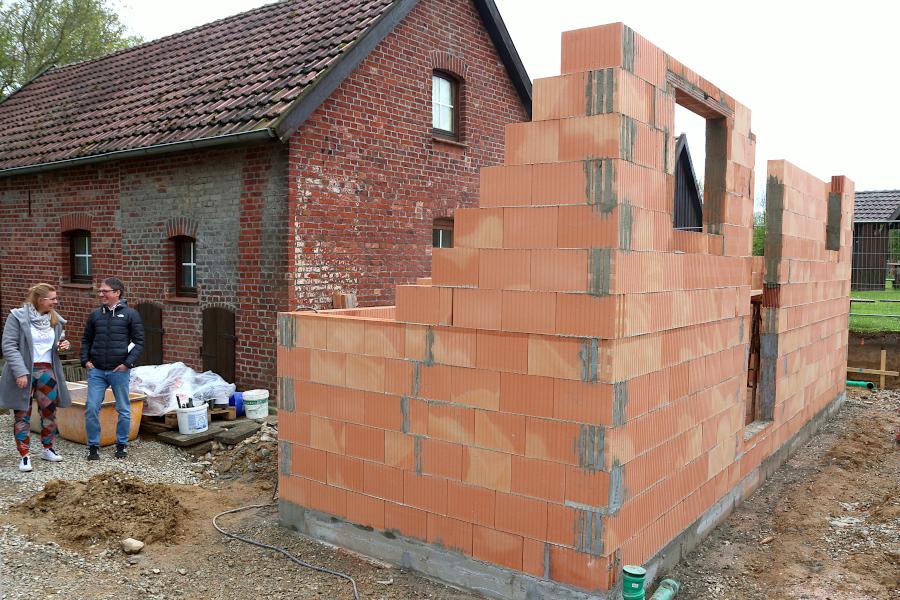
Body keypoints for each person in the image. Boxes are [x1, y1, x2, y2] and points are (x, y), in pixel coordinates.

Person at [0, 284, 72, 472]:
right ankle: (24, 455)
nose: (56, 302)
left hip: (48, 371)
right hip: (24, 372)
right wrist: (21, 372)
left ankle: (47, 448)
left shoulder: (55, 319)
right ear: (40, 300)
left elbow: (55, 345)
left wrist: (62, 346)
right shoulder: (17, 317)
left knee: (49, 411)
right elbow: (8, 346)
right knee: (22, 414)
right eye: (52, 299)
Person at [81, 277, 144, 461]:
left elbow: (139, 342)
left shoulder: (131, 314)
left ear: (117, 293)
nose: (101, 294)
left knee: (123, 409)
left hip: (120, 371)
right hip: (97, 371)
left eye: (105, 291)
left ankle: (121, 444)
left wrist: (127, 364)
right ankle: (93, 446)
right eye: (100, 291)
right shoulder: (95, 315)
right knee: (92, 407)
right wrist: (85, 361)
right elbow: (86, 340)